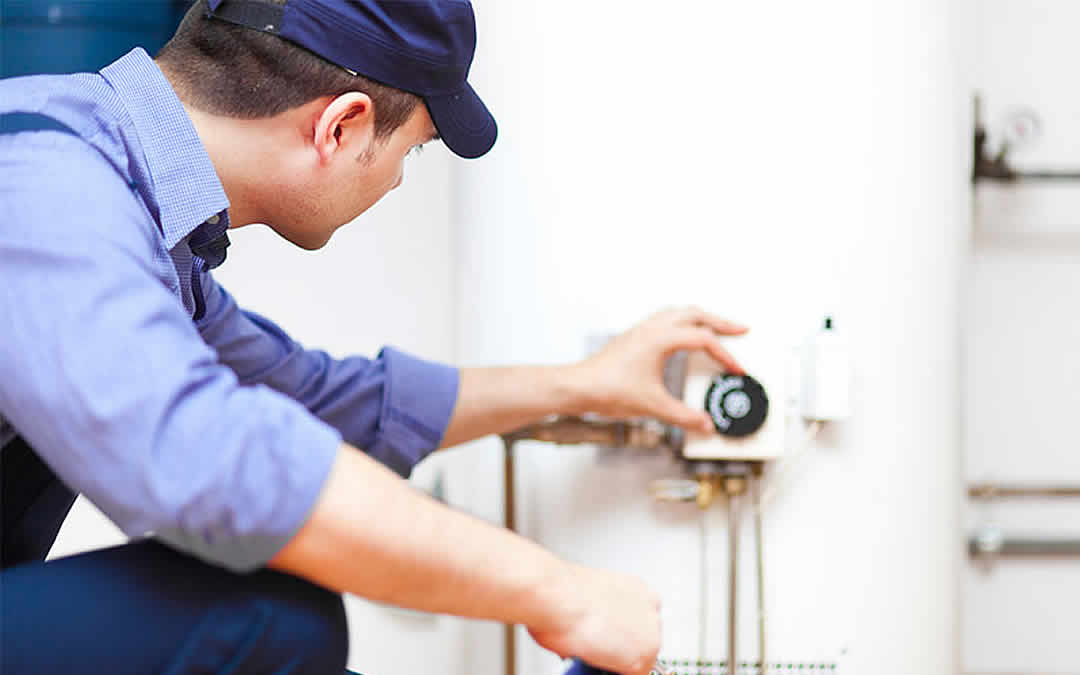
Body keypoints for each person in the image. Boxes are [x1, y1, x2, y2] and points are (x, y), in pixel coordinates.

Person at [0, 1, 748, 673]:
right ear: (342, 126)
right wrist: (559, 591)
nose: (396, 180)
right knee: (273, 616)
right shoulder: (47, 182)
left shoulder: (139, 211)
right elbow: (216, 461)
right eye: (413, 150)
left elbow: (320, 401)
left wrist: (584, 383)